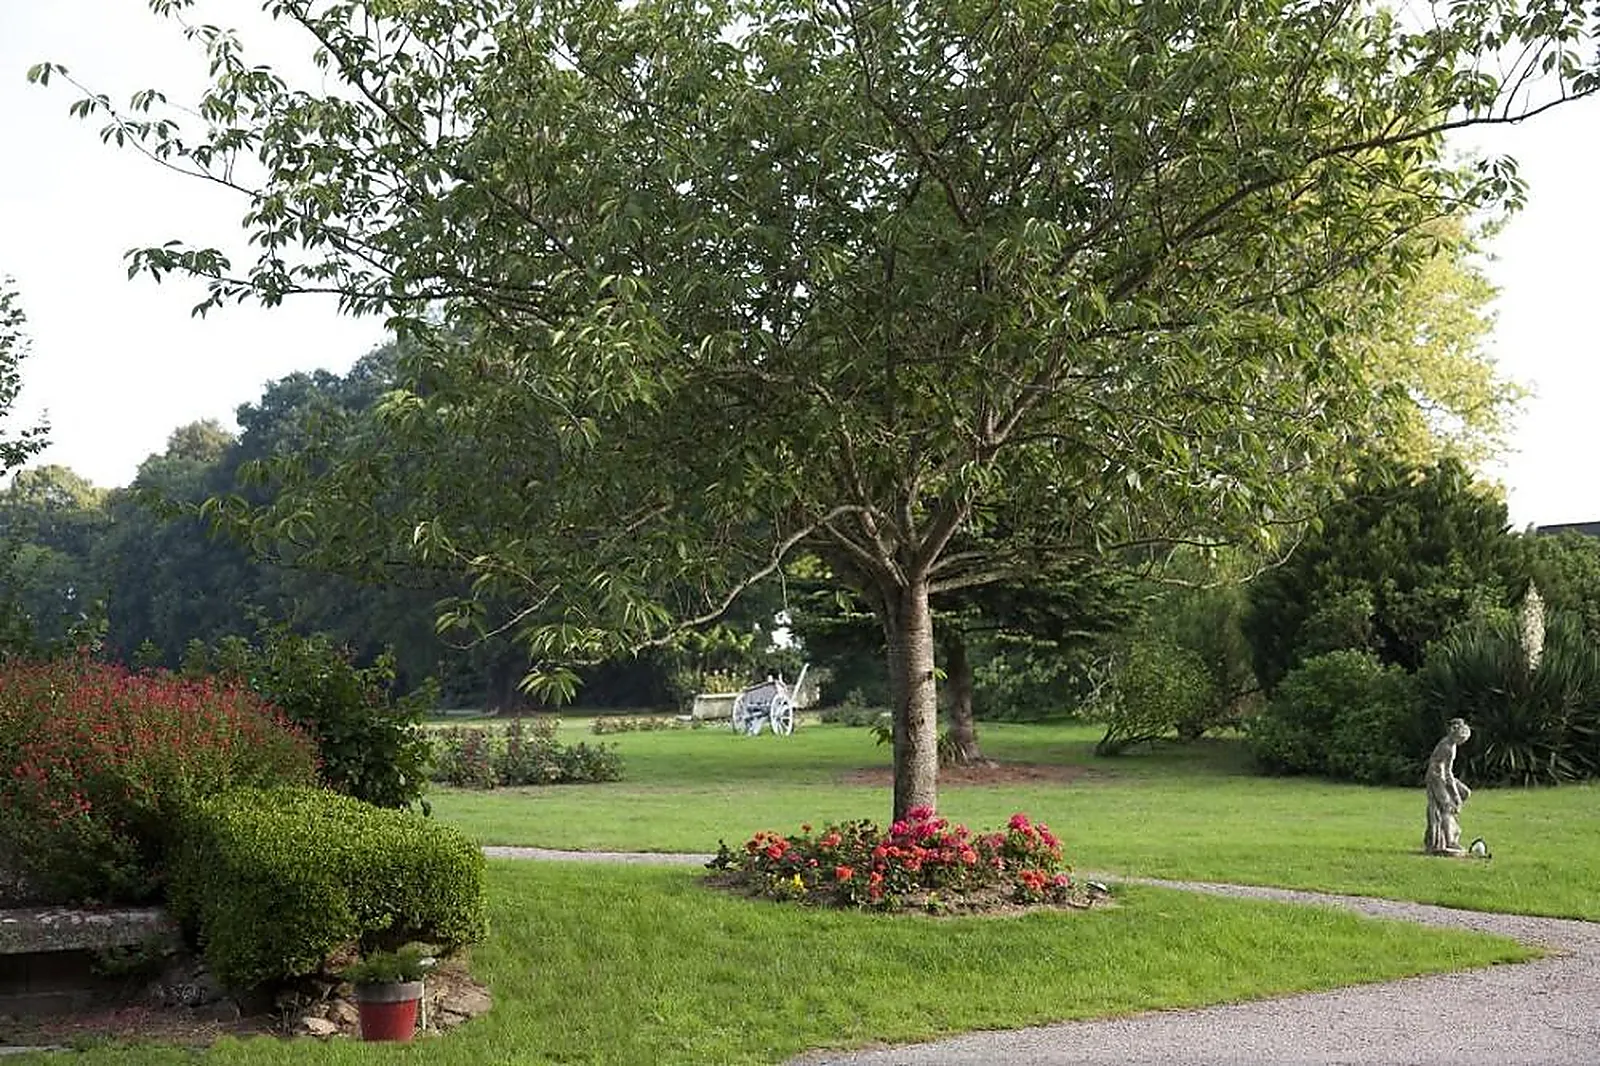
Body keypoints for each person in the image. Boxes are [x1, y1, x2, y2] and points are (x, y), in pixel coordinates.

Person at [1424, 718, 1473, 855]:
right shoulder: (1447, 747)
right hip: (1437, 778)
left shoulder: (1451, 745)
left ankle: (1450, 827)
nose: (1463, 741)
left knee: (1465, 793)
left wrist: (1458, 794)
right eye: (1462, 738)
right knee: (1447, 806)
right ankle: (1449, 841)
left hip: (1443, 776)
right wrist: (1455, 795)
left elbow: (1448, 773)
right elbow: (1447, 774)